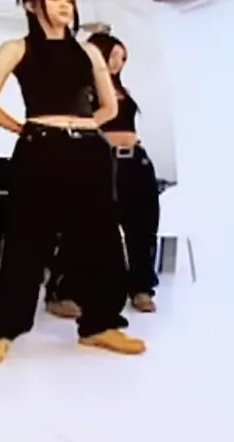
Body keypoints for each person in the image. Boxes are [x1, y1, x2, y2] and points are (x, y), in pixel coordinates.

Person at [0, 0, 146, 367]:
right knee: (26, 239)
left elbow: (109, 108)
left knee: (100, 238)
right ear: (32, 5)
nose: (64, 6)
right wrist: (26, 129)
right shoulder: (16, 48)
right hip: (40, 150)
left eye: (68, 0)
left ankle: (100, 324)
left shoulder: (89, 52)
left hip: (89, 152)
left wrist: (82, 127)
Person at [44, 33, 160, 316]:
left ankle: (141, 288)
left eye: (123, 58)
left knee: (142, 227)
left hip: (136, 162)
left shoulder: (122, 91)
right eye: (113, 55)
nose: (118, 63)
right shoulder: (82, 89)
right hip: (101, 162)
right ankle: (60, 292)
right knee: (82, 228)